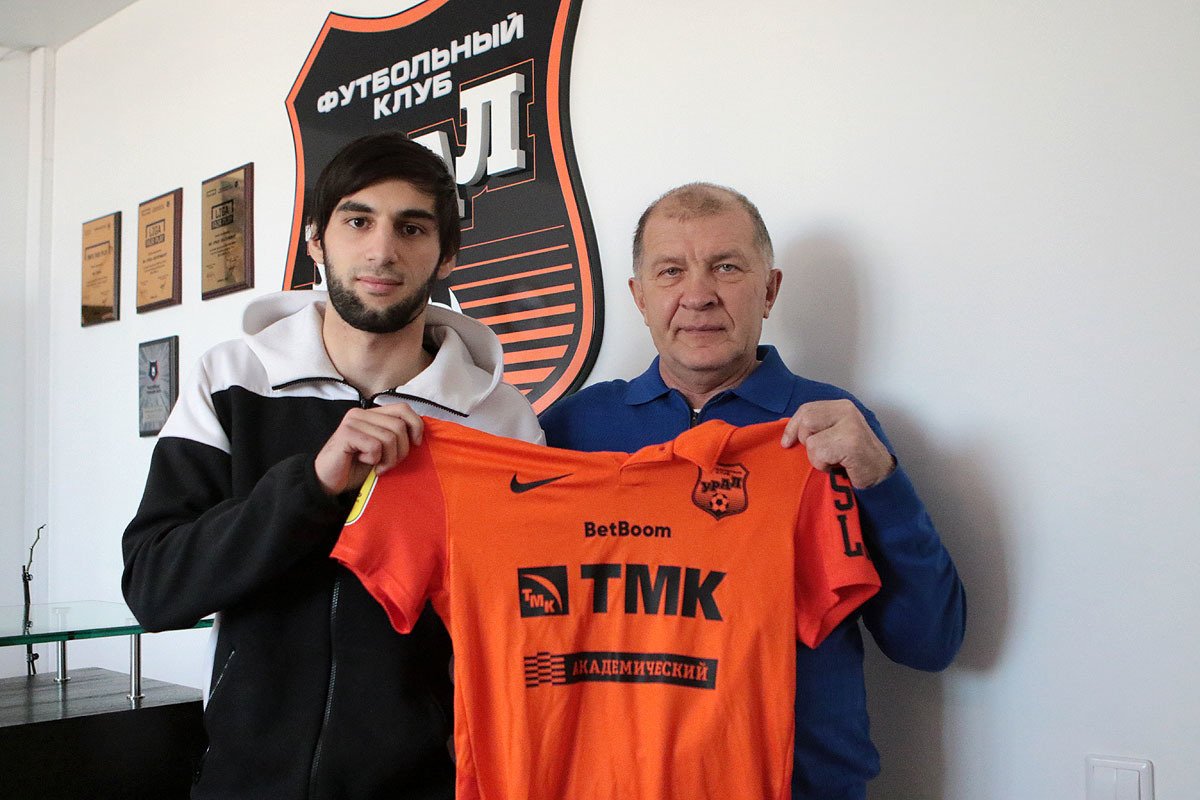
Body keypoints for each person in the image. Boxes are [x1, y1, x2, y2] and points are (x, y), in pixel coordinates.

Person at [122, 132, 542, 799]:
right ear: (316, 240)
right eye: (357, 221)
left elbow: (523, 621)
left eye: (411, 227)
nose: (382, 250)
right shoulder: (231, 380)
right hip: (243, 783)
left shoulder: (500, 421)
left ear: (447, 255)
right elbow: (155, 588)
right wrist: (311, 486)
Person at [539, 182, 966, 800]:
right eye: (670, 270)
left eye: (726, 267)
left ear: (769, 290)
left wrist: (882, 481)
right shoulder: (571, 431)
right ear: (638, 296)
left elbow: (929, 642)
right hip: (619, 782)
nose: (698, 294)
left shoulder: (835, 427)